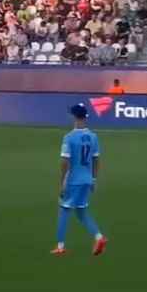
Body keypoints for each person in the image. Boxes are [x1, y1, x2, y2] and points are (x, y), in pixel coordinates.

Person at [52, 104, 108, 256]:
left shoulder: (69, 137)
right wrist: (94, 179)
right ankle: (99, 237)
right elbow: (97, 160)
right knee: (81, 211)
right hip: (87, 179)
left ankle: (60, 246)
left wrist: (63, 182)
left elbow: (64, 162)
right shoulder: (93, 136)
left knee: (64, 209)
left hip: (73, 180)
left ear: (74, 117)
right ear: (85, 117)